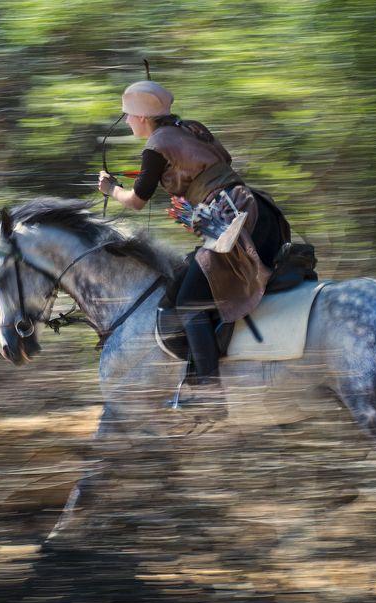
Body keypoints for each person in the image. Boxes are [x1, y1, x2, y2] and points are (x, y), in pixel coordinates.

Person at [97, 80, 290, 416]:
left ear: (143, 117)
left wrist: (111, 188)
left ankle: (210, 394)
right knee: (189, 283)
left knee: (189, 301)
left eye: (129, 116)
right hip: (257, 211)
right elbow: (220, 161)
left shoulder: (156, 145)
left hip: (236, 223)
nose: (127, 121)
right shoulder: (190, 129)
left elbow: (137, 200)